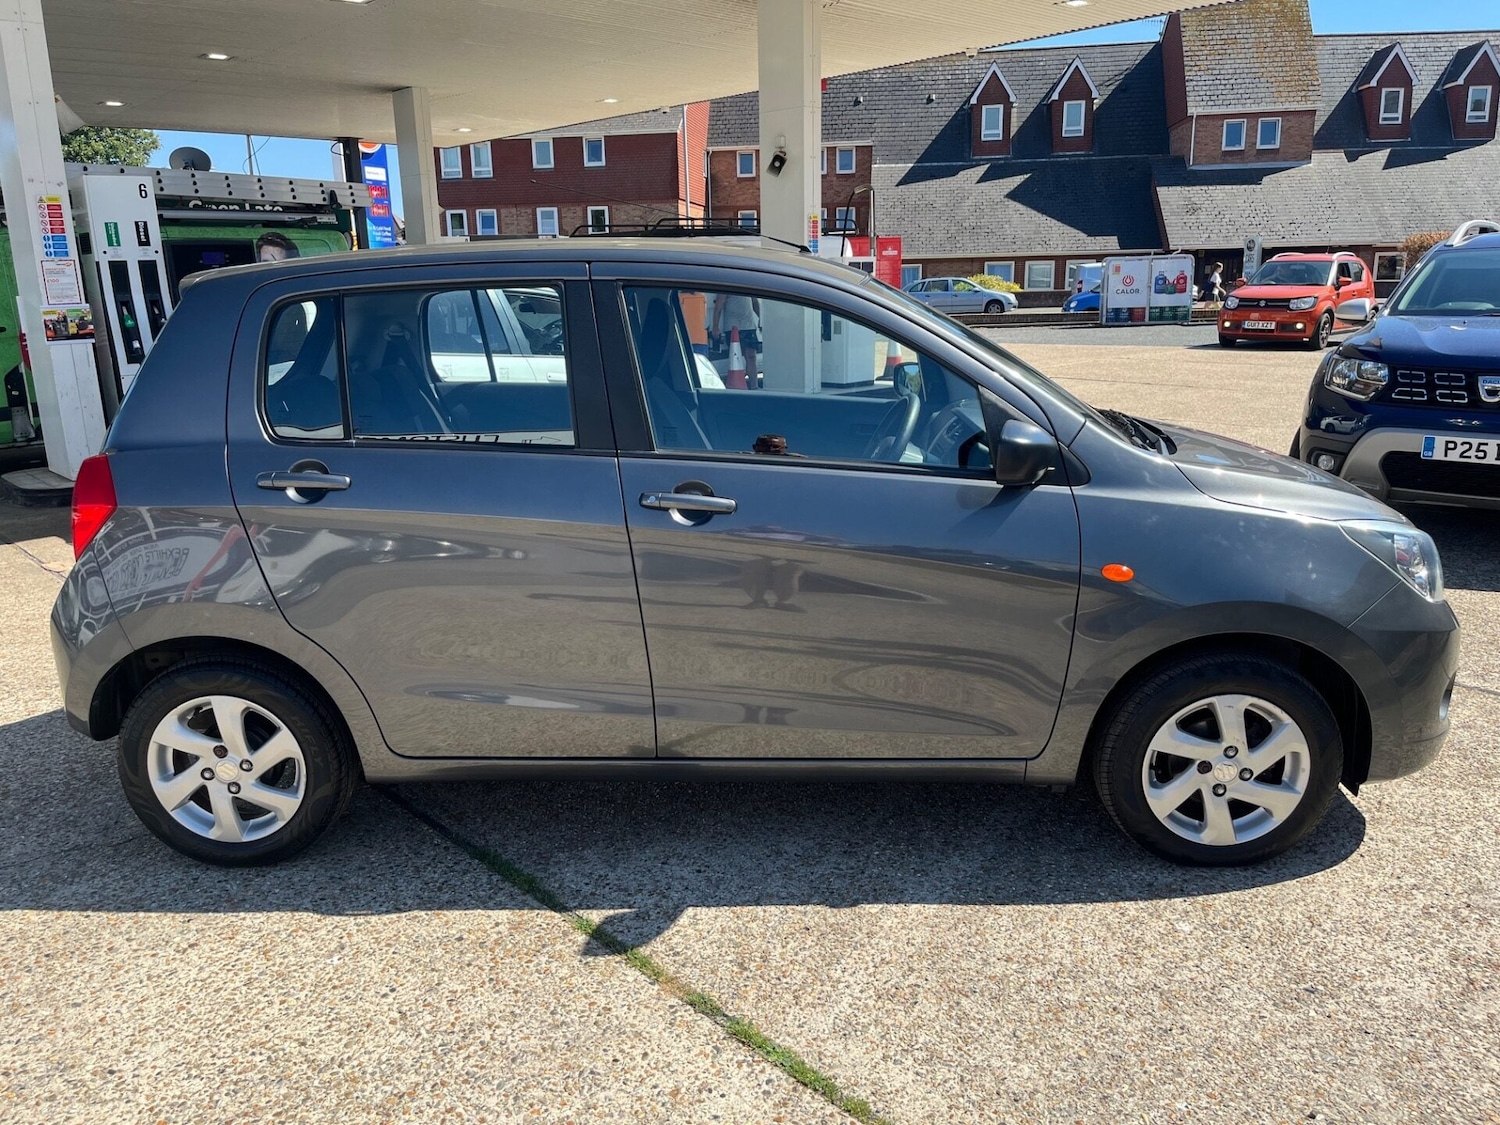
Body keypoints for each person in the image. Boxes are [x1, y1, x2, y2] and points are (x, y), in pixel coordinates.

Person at [712, 291, 761, 388]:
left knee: (751, 357)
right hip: (733, 328)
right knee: (736, 358)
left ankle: (754, 386)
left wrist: (761, 319)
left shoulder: (748, 285)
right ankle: (738, 385)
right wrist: (715, 327)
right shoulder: (727, 286)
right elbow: (718, 307)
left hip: (749, 326)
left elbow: (755, 302)